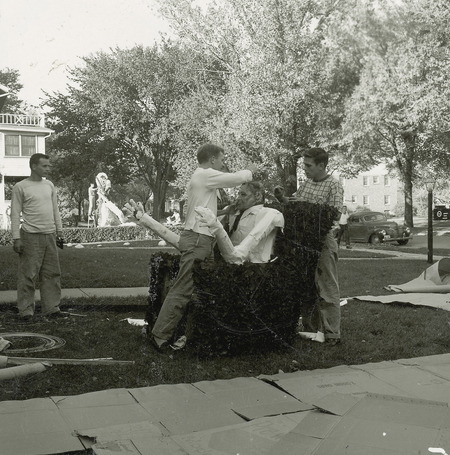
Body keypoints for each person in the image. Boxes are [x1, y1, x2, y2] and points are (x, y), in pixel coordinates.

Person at [150, 143, 255, 350]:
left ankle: (190, 332)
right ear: (213, 159)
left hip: (199, 238)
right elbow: (237, 179)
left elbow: (204, 213)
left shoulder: (200, 179)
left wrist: (225, 211)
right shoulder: (205, 174)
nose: (223, 164)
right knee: (183, 288)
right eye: (222, 159)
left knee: (198, 288)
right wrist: (250, 170)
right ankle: (160, 336)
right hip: (198, 239)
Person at [277, 147, 343, 345]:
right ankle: (309, 329)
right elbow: (295, 203)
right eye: (303, 165)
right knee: (306, 285)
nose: (304, 169)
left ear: (321, 165)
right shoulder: (306, 184)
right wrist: (282, 199)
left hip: (323, 241)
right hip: (304, 241)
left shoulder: (334, 185)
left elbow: (336, 214)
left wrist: (310, 209)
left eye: (308, 165)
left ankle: (332, 334)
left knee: (327, 286)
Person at [10, 153, 65, 321]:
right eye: (45, 166)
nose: (48, 169)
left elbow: (55, 210)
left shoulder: (49, 185)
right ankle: (26, 311)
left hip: (50, 234)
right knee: (28, 274)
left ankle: (51, 308)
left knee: (52, 273)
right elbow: (15, 213)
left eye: (49, 166)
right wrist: (16, 238)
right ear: (34, 166)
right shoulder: (20, 187)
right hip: (30, 236)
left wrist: (60, 231)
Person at [195, 181, 284, 264]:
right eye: (238, 194)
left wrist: (217, 227)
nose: (238, 198)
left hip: (256, 269)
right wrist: (225, 212)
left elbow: (236, 257)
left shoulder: (270, 214)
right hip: (228, 268)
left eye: (243, 194)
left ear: (257, 195)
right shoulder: (232, 212)